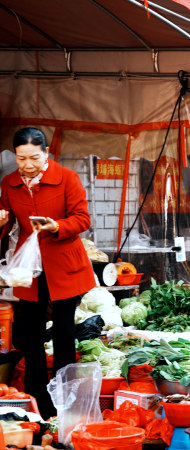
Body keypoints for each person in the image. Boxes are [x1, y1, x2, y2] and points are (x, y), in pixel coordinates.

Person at [0, 127, 96, 418]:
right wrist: (1, 219)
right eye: (21, 158)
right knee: (31, 336)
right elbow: (7, 221)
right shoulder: (9, 183)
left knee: (64, 333)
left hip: (63, 264)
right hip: (28, 269)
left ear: (46, 154)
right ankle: (35, 401)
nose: (27, 165)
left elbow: (82, 219)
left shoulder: (67, 178)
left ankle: (65, 399)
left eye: (34, 158)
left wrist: (56, 226)